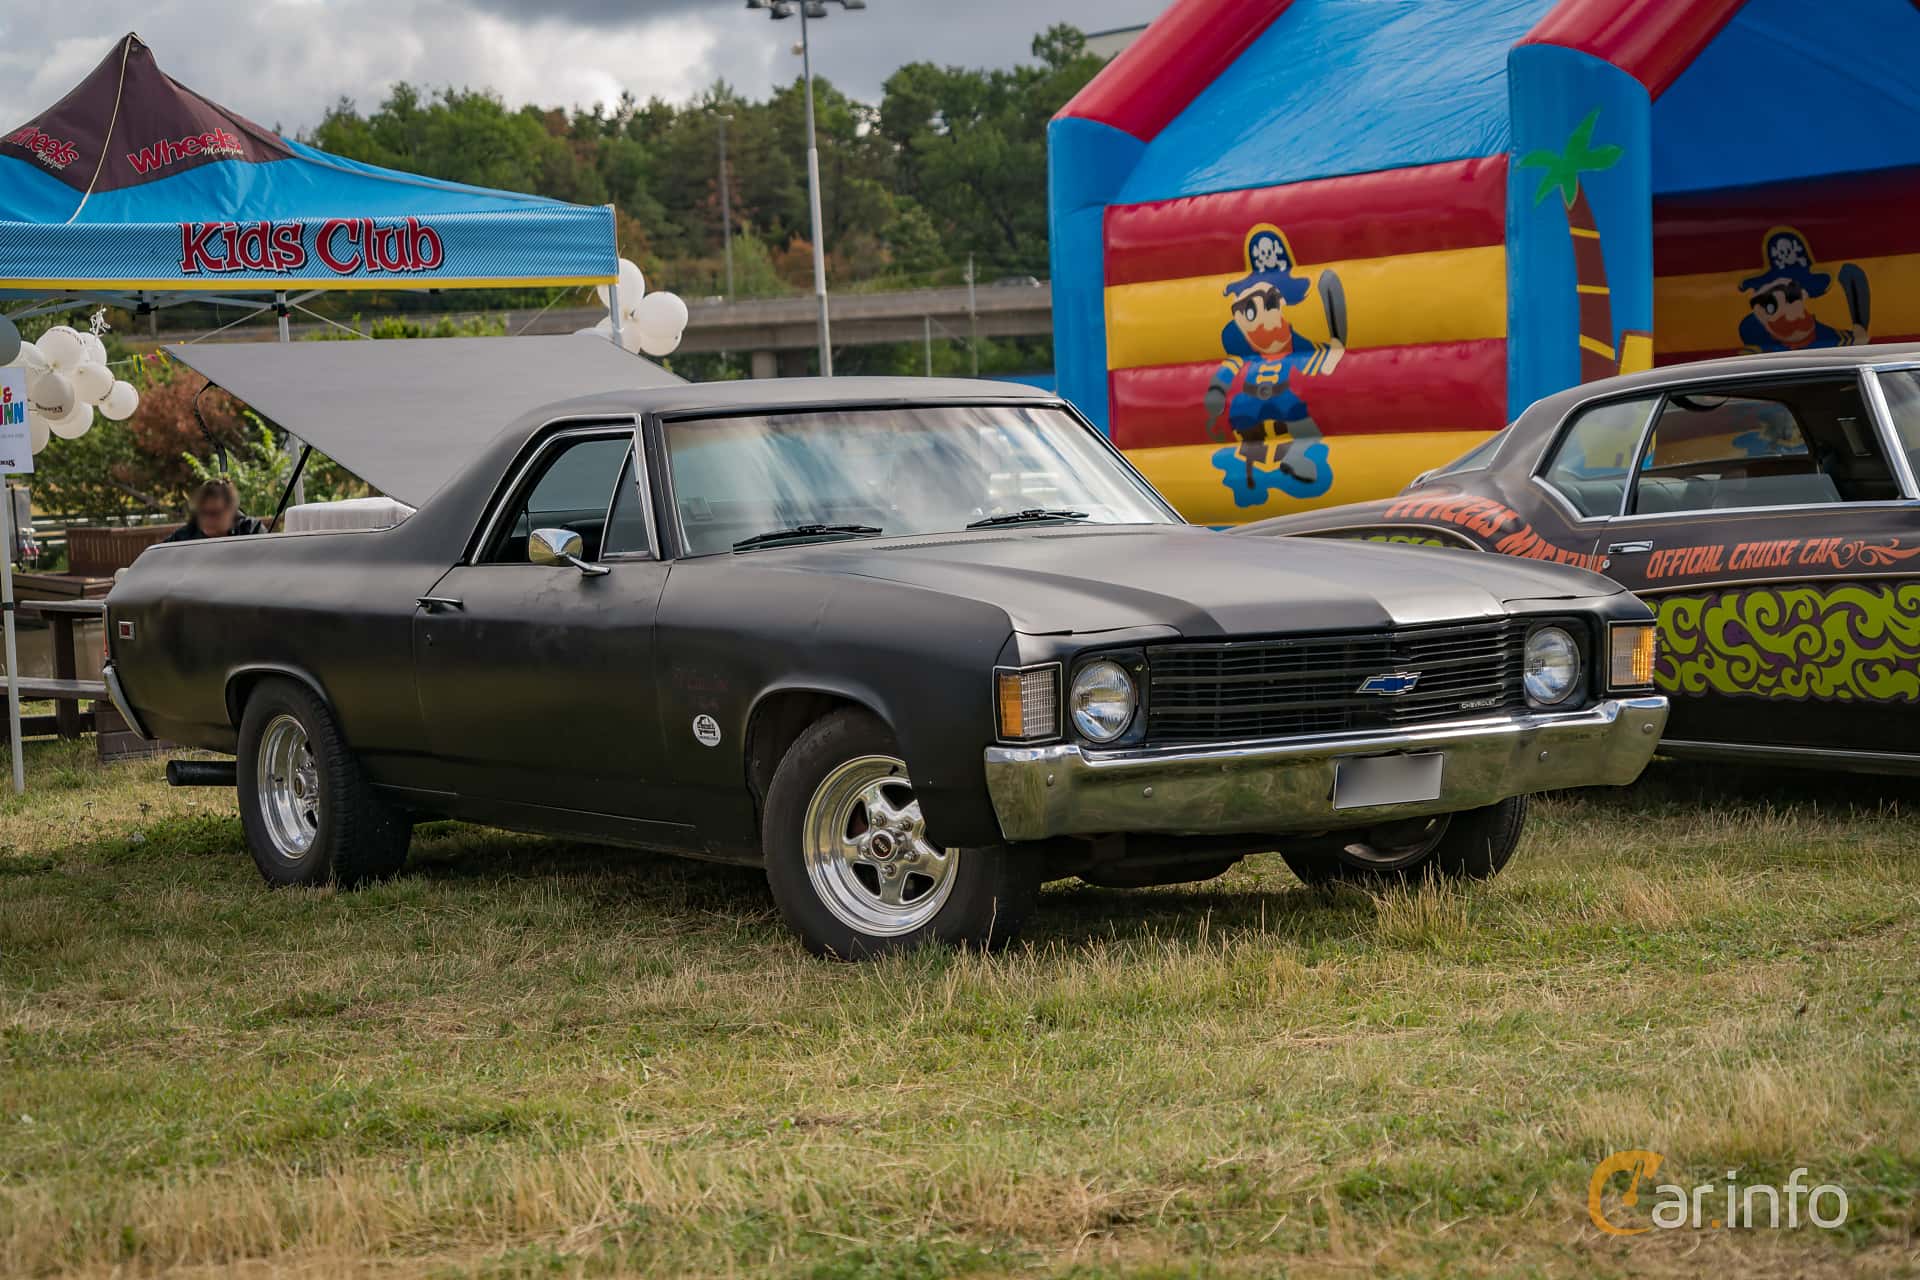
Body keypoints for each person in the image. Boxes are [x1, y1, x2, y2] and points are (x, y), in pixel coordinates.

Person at [164, 478, 265, 542]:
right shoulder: (183, 537)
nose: (207, 519)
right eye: (203, 512)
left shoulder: (252, 531)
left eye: (214, 513)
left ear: (231, 510)